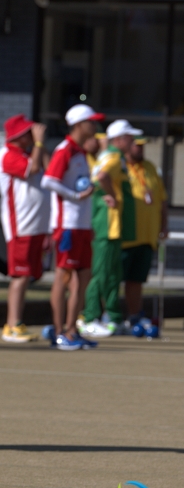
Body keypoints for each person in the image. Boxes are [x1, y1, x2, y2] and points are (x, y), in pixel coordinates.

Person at [41, 104, 102, 351]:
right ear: (78, 124)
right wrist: (75, 197)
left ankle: (71, 329)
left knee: (83, 277)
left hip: (81, 225)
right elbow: (49, 181)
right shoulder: (65, 149)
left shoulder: (80, 152)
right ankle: (60, 331)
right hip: (67, 225)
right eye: (91, 121)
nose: (95, 126)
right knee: (64, 276)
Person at [79, 120, 139, 338]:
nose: (132, 142)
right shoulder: (113, 157)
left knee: (113, 274)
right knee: (101, 273)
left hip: (113, 226)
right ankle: (89, 317)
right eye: (130, 137)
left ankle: (113, 317)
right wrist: (111, 195)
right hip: (104, 224)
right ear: (120, 139)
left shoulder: (116, 157)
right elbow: (100, 177)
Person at [0, 114, 49, 343]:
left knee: (28, 276)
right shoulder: (7, 154)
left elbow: (48, 166)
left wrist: (40, 144)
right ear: (18, 135)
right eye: (28, 132)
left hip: (36, 225)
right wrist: (38, 142)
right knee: (20, 275)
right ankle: (11, 325)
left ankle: (17, 322)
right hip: (21, 225)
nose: (32, 134)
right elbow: (32, 169)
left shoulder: (29, 152)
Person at [122, 137, 168, 324]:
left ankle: (134, 316)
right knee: (111, 279)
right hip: (125, 236)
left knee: (137, 280)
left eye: (142, 146)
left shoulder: (150, 167)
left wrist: (163, 226)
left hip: (147, 236)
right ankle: (106, 316)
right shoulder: (120, 166)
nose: (140, 149)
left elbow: (162, 200)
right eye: (136, 145)